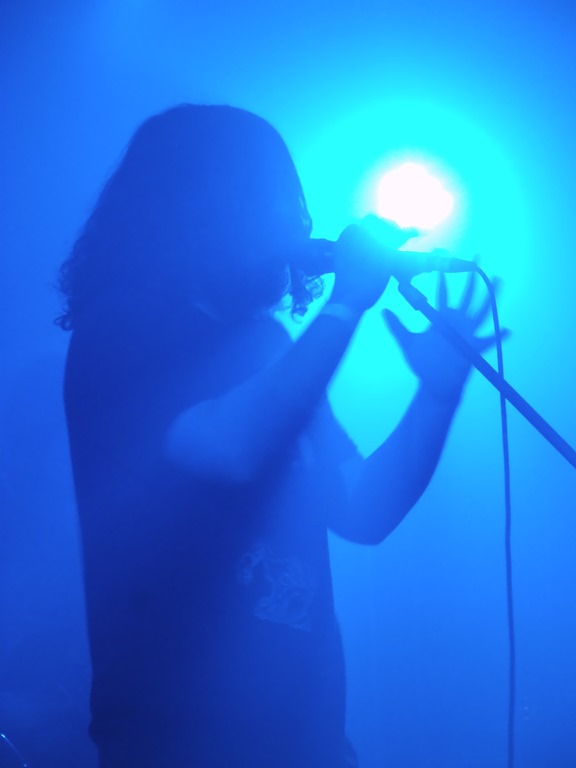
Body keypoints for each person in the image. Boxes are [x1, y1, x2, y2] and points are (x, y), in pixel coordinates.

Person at [57, 104, 495, 768]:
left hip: (307, 738)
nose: (299, 222)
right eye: (276, 199)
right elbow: (228, 449)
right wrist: (345, 304)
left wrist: (435, 397)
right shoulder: (123, 329)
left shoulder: (265, 345)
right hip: (180, 741)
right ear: (210, 203)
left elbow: (363, 508)